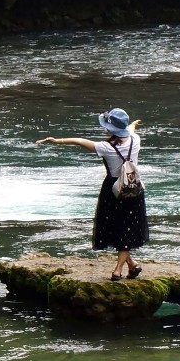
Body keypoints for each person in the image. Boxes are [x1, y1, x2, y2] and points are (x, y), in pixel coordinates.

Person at [37, 108, 148, 280]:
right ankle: (132, 266)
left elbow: (80, 141)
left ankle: (117, 271)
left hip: (114, 191)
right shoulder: (136, 140)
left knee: (119, 228)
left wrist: (57, 141)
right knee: (127, 228)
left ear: (111, 130)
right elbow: (130, 133)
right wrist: (132, 125)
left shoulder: (105, 147)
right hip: (133, 188)